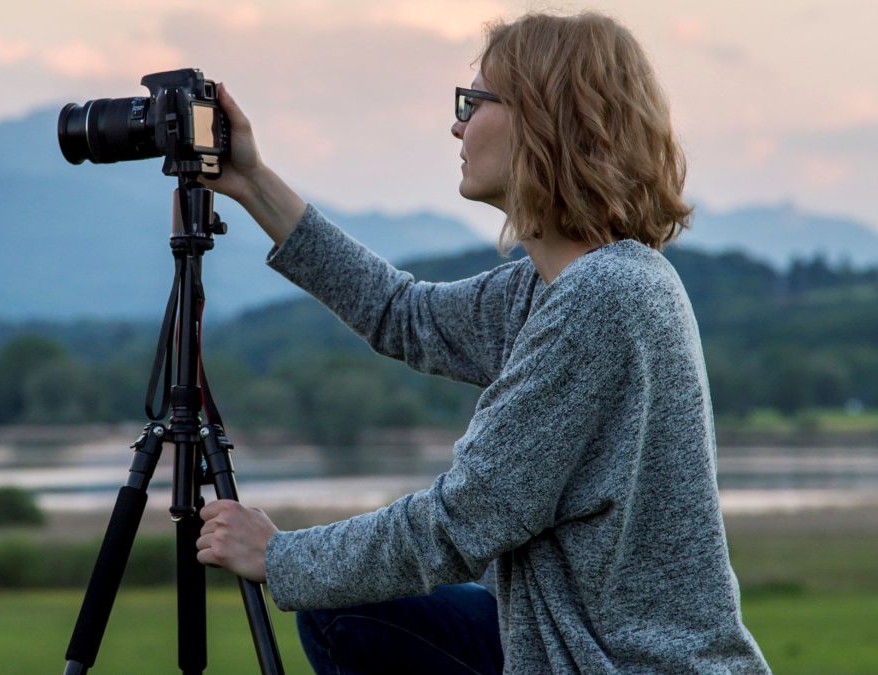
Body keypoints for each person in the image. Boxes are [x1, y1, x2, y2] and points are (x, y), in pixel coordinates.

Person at [195, 11, 771, 674]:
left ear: (545, 117)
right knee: (352, 605)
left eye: (474, 102)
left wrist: (279, 555)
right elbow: (401, 313)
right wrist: (251, 182)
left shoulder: (603, 299)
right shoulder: (554, 286)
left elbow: (460, 522)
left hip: (616, 663)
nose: (457, 125)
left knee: (341, 611)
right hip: (574, 649)